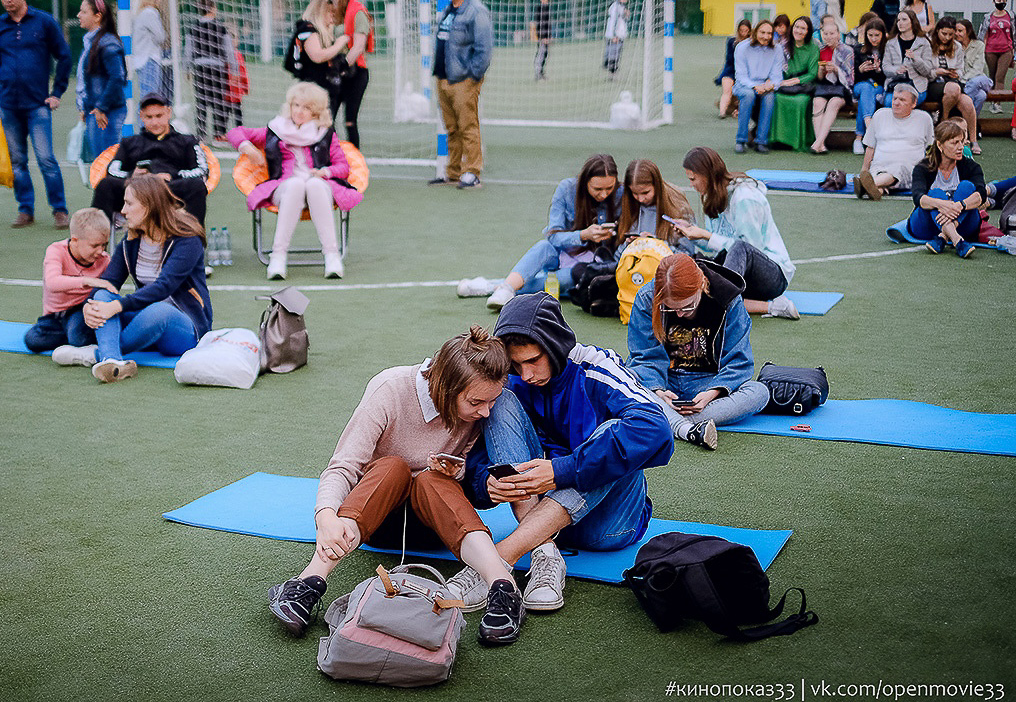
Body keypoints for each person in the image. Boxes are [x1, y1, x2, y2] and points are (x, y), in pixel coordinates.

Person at [267, 327, 528, 646]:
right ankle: (307, 581)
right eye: (476, 402)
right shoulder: (390, 388)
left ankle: (503, 587)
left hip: (440, 526)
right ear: (445, 388)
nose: (486, 412)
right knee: (395, 467)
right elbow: (344, 466)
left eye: (491, 401)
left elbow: (474, 485)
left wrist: (457, 474)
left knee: (432, 479)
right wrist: (326, 517)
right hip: (375, 521)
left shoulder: (478, 408)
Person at [443, 293, 673, 614]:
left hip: (608, 526)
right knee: (498, 402)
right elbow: (479, 459)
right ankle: (545, 553)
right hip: (540, 520)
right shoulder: (510, 379)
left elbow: (657, 430)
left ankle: (499, 558)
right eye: (516, 364)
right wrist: (484, 482)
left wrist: (560, 470)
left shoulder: (596, 368)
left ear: (554, 344)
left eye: (534, 360)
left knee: (613, 433)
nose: (526, 375)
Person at [626, 253, 768, 450]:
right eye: (671, 309)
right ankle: (677, 420)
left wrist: (711, 393)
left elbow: (739, 361)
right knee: (625, 377)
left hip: (706, 384)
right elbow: (644, 357)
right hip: (663, 384)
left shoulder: (728, 299)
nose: (680, 314)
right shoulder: (647, 298)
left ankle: (667, 419)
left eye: (687, 306)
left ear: (701, 284)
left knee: (759, 392)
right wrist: (658, 392)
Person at [81, 174, 212, 383]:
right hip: (144, 320)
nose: (122, 210)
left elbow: (164, 287)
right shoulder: (131, 241)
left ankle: (94, 354)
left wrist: (116, 306)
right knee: (103, 294)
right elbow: (108, 282)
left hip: (185, 328)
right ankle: (112, 360)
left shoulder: (187, 240)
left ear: (149, 205)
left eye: (129, 203)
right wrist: (91, 305)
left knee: (159, 310)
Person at [228, 81, 361, 281]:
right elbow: (235, 133)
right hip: (285, 189)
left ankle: (331, 255)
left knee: (313, 184)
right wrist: (249, 149)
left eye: (306, 108)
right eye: (296, 105)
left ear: (316, 112)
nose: (299, 111)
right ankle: (278, 256)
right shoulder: (276, 129)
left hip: (319, 190)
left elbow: (343, 167)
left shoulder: (325, 133)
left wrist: (324, 172)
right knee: (296, 184)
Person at [0, 0, 72, 230]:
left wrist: (56, 92)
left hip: (38, 106)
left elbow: (65, 56)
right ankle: (25, 210)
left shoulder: (44, 22)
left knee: (46, 160)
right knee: (18, 163)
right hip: (9, 106)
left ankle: (60, 210)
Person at [671, 146, 799, 320]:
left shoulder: (745, 197)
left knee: (739, 248)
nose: (691, 184)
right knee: (696, 263)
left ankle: (719, 302)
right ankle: (773, 307)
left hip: (773, 276)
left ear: (708, 174)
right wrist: (690, 233)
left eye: (693, 179)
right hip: (741, 275)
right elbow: (718, 247)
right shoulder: (714, 196)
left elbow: (751, 250)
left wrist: (705, 234)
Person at [482, 154, 622, 311]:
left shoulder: (621, 193)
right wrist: (583, 235)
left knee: (557, 281)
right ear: (584, 182)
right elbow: (553, 236)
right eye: (597, 189)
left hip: (589, 265)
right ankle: (505, 288)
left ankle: (495, 287)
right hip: (561, 252)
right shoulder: (567, 189)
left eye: (609, 188)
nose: (604, 194)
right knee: (543, 247)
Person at [91, 93, 210, 226]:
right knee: (105, 184)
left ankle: (194, 242)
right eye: (149, 117)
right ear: (141, 116)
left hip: (171, 192)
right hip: (136, 192)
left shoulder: (187, 141)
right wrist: (132, 176)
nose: (154, 122)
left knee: (196, 186)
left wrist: (171, 176)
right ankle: (96, 241)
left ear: (168, 113)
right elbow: (112, 171)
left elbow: (202, 171)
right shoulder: (129, 142)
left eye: (159, 116)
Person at [430, 0, 492, 189]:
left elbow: (484, 50)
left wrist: (472, 76)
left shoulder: (476, 11)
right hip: (444, 79)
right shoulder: (449, 10)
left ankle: (472, 171)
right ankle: (453, 171)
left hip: (463, 81)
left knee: (468, 127)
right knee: (452, 128)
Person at [23, 208, 113, 359]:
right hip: (54, 316)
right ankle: (78, 339)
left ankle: (80, 340)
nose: (100, 251)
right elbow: (52, 282)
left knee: (77, 336)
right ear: (75, 240)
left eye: (104, 245)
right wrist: (86, 281)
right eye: (95, 245)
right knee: (32, 340)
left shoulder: (104, 260)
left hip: (80, 310)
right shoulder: (56, 250)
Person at [908, 121, 985, 258]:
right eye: (954, 143)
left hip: (963, 224)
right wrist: (943, 205)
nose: (961, 147)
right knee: (935, 194)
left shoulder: (971, 166)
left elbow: (981, 195)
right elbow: (918, 198)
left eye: (962, 142)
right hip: (927, 226)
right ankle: (957, 241)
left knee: (967, 187)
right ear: (939, 145)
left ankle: (943, 236)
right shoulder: (923, 167)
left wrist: (959, 206)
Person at [856, 83, 934, 200]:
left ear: (913, 103)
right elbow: (870, 146)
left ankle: (865, 185)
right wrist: (864, 171)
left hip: (909, 169)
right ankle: (877, 189)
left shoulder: (924, 118)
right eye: (894, 98)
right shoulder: (880, 114)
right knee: (881, 174)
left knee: (897, 168)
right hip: (879, 167)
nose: (896, 103)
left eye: (902, 100)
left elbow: (930, 148)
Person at [76, 0, 127, 159]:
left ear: (98, 16)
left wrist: (101, 107)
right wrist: (86, 105)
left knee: (106, 163)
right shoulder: (92, 41)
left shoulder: (107, 43)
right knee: (101, 163)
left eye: (83, 12)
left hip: (106, 113)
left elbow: (117, 77)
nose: (79, 15)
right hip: (96, 109)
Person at [325, 0, 373, 149]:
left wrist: (343, 65)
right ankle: (334, 157)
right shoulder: (331, 11)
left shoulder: (358, 12)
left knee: (350, 121)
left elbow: (359, 46)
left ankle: (354, 162)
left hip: (355, 72)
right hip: (335, 71)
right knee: (327, 119)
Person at [614, 158, 695, 251]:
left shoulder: (678, 207)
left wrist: (654, 244)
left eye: (645, 193)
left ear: (657, 186)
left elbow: (688, 254)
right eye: (635, 193)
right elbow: (617, 257)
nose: (640, 199)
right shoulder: (629, 205)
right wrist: (628, 245)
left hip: (665, 263)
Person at [186, 0, 236, 143]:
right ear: (213, 8)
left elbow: (188, 50)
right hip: (218, 68)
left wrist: (187, 68)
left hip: (200, 67)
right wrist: (233, 69)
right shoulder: (221, 28)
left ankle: (201, 134)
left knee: (201, 100)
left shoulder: (193, 28)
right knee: (218, 101)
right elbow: (228, 50)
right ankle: (218, 134)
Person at [289, 0, 350, 116]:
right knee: (318, 129)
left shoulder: (319, 32)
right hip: (313, 90)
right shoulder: (307, 29)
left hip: (323, 90)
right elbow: (317, 56)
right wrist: (339, 44)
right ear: (320, 12)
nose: (333, 18)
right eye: (331, 13)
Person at [731, 19, 784, 155]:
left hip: (766, 86)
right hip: (744, 85)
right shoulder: (742, 47)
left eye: (769, 33)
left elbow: (777, 76)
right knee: (748, 96)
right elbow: (741, 76)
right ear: (755, 32)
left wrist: (768, 86)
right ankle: (741, 140)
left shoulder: (777, 49)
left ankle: (761, 141)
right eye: (762, 32)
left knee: (770, 97)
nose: (766, 37)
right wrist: (755, 86)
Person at [927, 17, 978, 152]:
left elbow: (961, 68)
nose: (947, 37)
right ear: (937, 30)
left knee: (966, 102)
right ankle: (944, 120)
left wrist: (956, 74)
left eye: (950, 34)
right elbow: (923, 69)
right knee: (954, 89)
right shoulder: (928, 44)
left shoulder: (957, 46)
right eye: (944, 34)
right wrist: (937, 72)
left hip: (951, 82)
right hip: (933, 82)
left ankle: (973, 139)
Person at [769, 16, 818, 152]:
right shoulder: (783, 46)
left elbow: (812, 73)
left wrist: (794, 81)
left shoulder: (813, 47)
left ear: (808, 31)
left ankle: (797, 142)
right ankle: (777, 140)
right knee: (777, 99)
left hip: (802, 86)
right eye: (796, 27)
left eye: (803, 28)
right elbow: (778, 67)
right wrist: (781, 81)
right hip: (784, 83)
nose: (799, 31)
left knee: (800, 102)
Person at [809, 18, 855, 154]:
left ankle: (817, 143)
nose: (829, 37)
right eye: (826, 34)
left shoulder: (847, 50)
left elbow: (850, 78)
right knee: (817, 102)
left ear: (838, 34)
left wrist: (836, 69)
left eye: (832, 33)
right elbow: (818, 78)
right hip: (824, 86)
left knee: (834, 103)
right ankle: (821, 145)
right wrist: (822, 70)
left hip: (841, 88)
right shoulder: (820, 50)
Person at [851, 18, 889, 155]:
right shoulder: (858, 50)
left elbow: (886, 77)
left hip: (877, 87)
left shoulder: (887, 50)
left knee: (866, 97)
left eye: (877, 35)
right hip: (859, 86)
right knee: (866, 89)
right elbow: (851, 77)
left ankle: (859, 138)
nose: (873, 38)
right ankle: (870, 129)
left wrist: (878, 70)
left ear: (883, 34)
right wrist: (860, 70)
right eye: (870, 35)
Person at [882, 9, 934, 106]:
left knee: (905, 103)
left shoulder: (923, 42)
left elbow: (927, 71)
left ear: (912, 22)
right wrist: (896, 70)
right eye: (898, 20)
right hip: (895, 84)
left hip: (916, 85)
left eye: (904, 19)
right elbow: (885, 67)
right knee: (890, 102)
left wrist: (915, 59)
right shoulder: (891, 43)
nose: (900, 23)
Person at [132, 0, 170, 102]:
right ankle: (143, 121)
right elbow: (160, 36)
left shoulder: (141, 14)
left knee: (146, 95)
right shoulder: (151, 12)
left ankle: (143, 120)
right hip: (149, 60)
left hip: (141, 60)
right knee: (149, 97)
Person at [956, 18, 994, 132]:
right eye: (956, 30)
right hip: (970, 85)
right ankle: (972, 126)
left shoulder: (979, 45)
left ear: (968, 31)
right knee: (981, 96)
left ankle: (959, 118)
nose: (957, 33)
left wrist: (963, 80)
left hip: (979, 79)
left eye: (960, 31)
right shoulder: (955, 46)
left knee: (975, 82)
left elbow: (978, 68)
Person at [980, 0, 1013, 114]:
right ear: (994, 2)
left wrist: (1013, 49)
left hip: (1006, 50)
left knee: (1000, 77)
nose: (1001, 3)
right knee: (992, 76)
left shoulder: (1011, 16)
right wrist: (981, 48)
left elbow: (1013, 33)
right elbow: (983, 33)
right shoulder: (988, 17)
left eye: (1003, 1)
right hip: (990, 50)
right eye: (999, 0)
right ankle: (991, 100)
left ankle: (997, 104)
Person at [716, 19, 752, 118]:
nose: (743, 33)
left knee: (744, 92)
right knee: (727, 90)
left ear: (749, 31)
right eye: (741, 30)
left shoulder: (752, 43)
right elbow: (729, 58)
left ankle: (738, 110)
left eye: (746, 30)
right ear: (738, 30)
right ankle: (722, 113)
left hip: (746, 71)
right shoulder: (732, 41)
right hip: (731, 69)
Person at [603, 0, 630, 78]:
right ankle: (612, 74)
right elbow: (613, 21)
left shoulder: (621, 6)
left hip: (619, 35)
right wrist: (614, 35)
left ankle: (613, 74)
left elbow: (622, 21)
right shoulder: (616, 6)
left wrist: (626, 15)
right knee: (612, 55)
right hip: (614, 36)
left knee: (616, 54)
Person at [532, 0, 553, 81]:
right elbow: (540, 23)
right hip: (542, 37)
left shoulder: (546, 5)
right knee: (540, 54)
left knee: (545, 54)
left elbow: (547, 23)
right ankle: (538, 74)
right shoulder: (541, 6)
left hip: (546, 36)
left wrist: (549, 36)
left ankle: (541, 73)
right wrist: (543, 37)